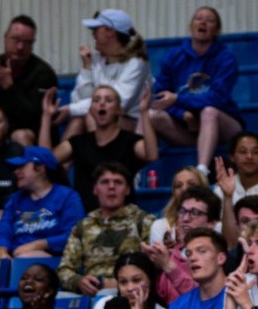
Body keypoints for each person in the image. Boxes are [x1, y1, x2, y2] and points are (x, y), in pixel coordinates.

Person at [149, 7, 243, 172]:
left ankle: (202, 170)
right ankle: (143, 171)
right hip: (187, 128)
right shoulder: (173, 56)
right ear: (191, 25)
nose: (203, 22)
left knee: (209, 111)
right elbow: (160, 97)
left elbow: (218, 98)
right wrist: (183, 114)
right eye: (199, 18)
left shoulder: (226, 58)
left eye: (210, 20)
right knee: (150, 115)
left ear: (217, 30)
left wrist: (179, 100)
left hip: (223, 125)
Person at [53, 88, 160, 214]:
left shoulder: (129, 141)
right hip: (86, 220)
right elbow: (46, 160)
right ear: (90, 110)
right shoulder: (79, 142)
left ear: (119, 110)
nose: (102, 103)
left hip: (123, 219)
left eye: (109, 100)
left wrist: (144, 112)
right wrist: (46, 116)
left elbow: (152, 155)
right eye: (96, 100)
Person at [60, 10, 151, 139]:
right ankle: (55, 159)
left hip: (129, 120)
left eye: (96, 29)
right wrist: (87, 68)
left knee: (92, 116)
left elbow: (117, 104)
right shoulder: (96, 59)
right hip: (100, 117)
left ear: (110, 31)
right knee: (78, 121)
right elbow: (79, 100)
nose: (93, 34)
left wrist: (70, 110)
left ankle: (100, 157)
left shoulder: (137, 63)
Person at [0, 15, 57, 143]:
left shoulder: (43, 73)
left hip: (25, 132)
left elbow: (37, 120)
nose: (20, 47)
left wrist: (9, 87)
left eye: (27, 42)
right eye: (15, 39)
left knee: (22, 136)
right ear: (5, 38)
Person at [0, 147, 83, 258]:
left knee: (27, 256)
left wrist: (38, 245)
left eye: (22, 166)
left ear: (40, 168)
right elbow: (3, 232)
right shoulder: (15, 199)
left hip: (53, 260)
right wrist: (2, 252)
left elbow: (73, 235)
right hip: (16, 258)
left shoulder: (67, 197)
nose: (16, 171)